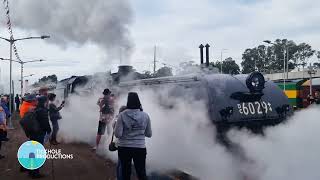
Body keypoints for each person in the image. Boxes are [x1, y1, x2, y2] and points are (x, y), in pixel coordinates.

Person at [115, 92, 152, 180]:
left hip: (124, 148)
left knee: (125, 172)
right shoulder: (145, 116)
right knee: (141, 172)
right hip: (140, 148)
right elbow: (149, 134)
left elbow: (118, 134)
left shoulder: (122, 115)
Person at [28, 96, 51, 178]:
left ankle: (31, 170)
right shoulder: (42, 111)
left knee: (32, 152)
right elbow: (45, 123)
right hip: (39, 134)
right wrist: (49, 131)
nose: (47, 103)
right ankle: (35, 173)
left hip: (33, 133)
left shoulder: (36, 109)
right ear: (44, 102)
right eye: (46, 101)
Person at [113, 105, 127, 180]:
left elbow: (114, 128)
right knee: (122, 163)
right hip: (124, 143)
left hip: (119, 143)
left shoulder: (117, 118)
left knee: (120, 162)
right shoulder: (122, 119)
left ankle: (118, 177)